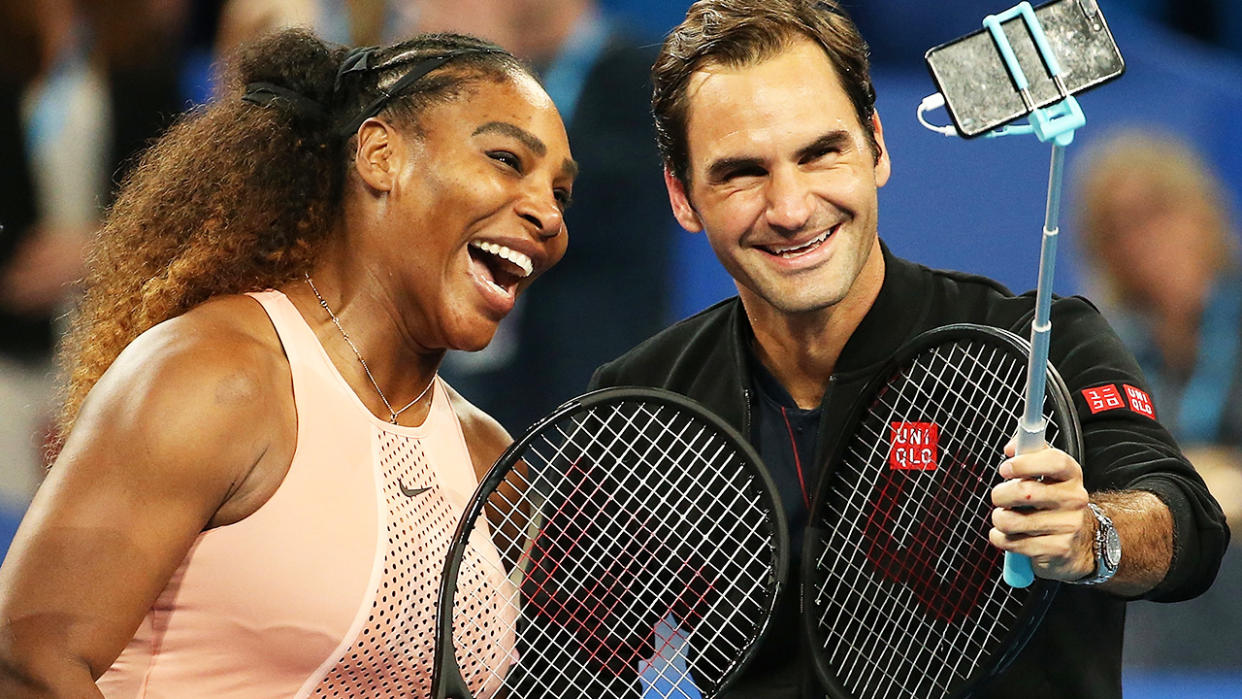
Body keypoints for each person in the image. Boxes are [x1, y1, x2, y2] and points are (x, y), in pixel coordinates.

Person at [589, 1, 1229, 697]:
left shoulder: (1046, 345)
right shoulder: (639, 406)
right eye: (742, 171)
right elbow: (566, 654)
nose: (792, 206)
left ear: (877, 147)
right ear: (683, 197)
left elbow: (1184, 526)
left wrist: (1091, 537)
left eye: (820, 152)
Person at [0, 27, 575, 696]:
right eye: (508, 159)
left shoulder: (487, 460)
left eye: (562, 193)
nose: (547, 213)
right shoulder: (218, 372)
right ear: (380, 155)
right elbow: (30, 660)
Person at [416, 0, 677, 436]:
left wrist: (483, 75)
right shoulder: (520, 76)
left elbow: (597, 205)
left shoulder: (643, 75)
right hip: (484, 380)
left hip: (597, 396)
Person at [1075, 130, 1242, 671]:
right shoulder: (1106, 350)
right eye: (1118, 227)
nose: (1143, 239)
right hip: (1159, 639)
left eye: (1157, 212)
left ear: (1203, 212)